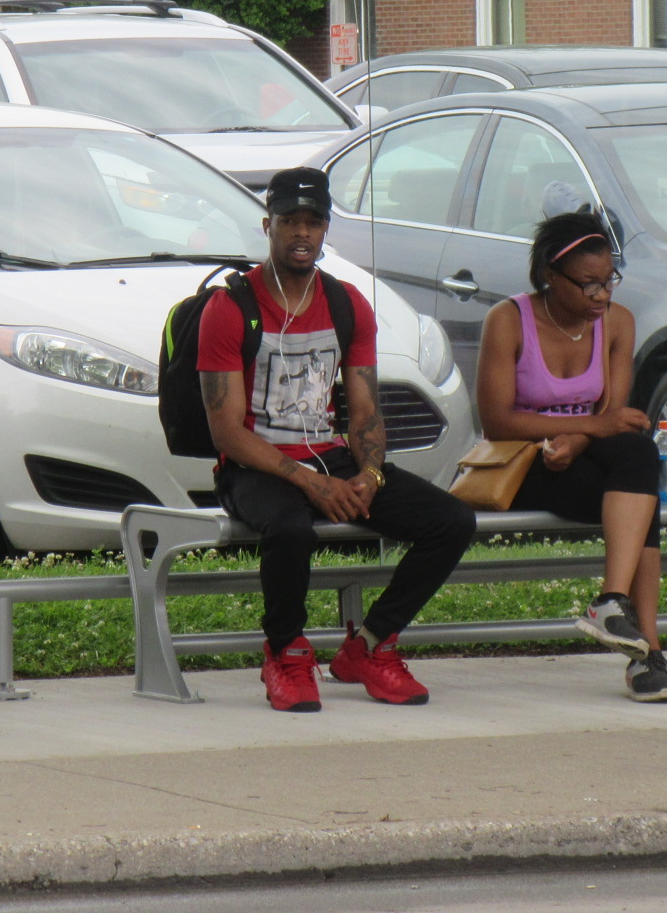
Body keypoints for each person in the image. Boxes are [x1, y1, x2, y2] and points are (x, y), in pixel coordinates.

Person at [199, 165, 475, 712]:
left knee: (451, 521)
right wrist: (309, 483)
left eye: (314, 222)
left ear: (326, 229)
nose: (302, 233)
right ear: (268, 225)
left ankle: (370, 647)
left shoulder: (348, 303)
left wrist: (369, 476)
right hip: (254, 467)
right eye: (290, 221)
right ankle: (284, 651)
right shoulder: (230, 308)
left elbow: (366, 411)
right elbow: (226, 429)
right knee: (289, 526)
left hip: (330, 458)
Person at [474, 209, 667, 702]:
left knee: (636, 455)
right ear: (549, 276)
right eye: (588, 285)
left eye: (609, 281)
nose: (602, 296)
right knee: (640, 498)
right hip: (525, 465)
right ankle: (648, 654)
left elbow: (613, 414)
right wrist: (586, 428)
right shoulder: (507, 320)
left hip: (583, 458)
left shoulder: (617, 323)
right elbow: (498, 420)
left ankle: (611, 602)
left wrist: (583, 437)